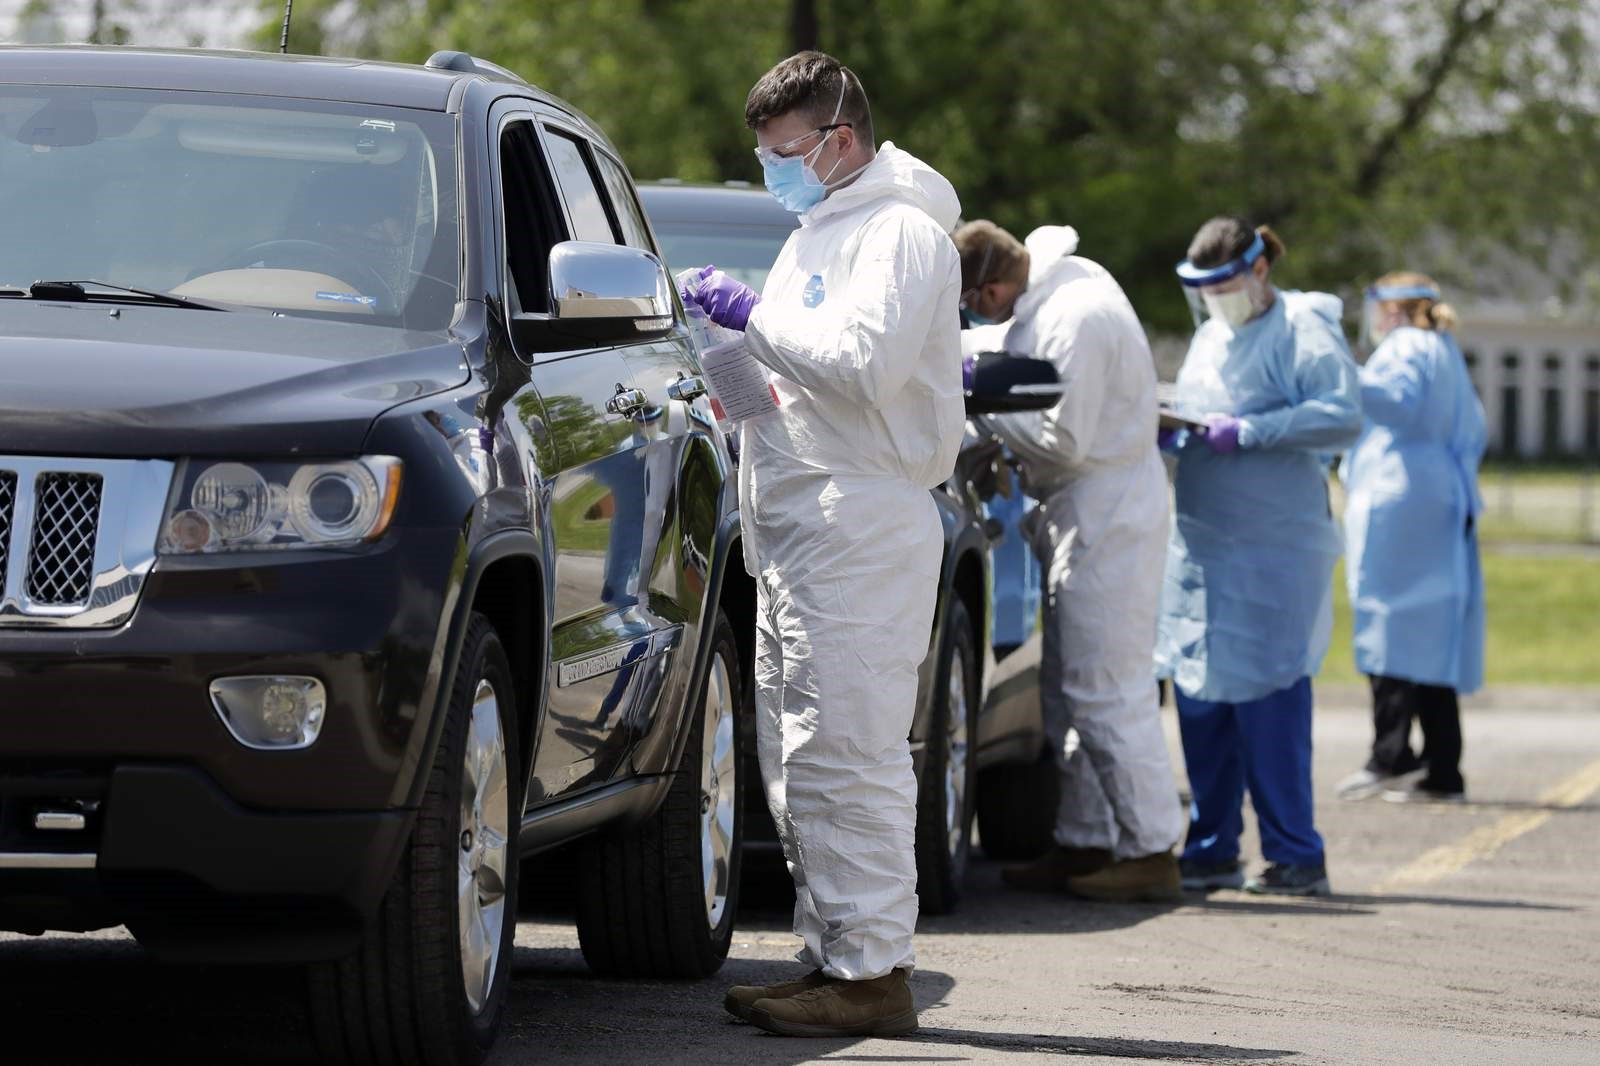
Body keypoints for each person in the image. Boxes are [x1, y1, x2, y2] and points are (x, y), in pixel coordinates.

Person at [680, 51, 964, 1038]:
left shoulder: (896, 233)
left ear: (839, 139)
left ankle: (872, 971)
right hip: (804, 527)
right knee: (802, 755)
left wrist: (749, 314)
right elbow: (801, 385)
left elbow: (861, 368)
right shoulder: (820, 228)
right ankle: (834, 952)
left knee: (849, 752)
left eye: (784, 152)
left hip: (860, 521)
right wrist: (730, 361)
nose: (773, 169)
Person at [952, 220, 1186, 902]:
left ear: (990, 286)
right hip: (1085, 508)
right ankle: (1084, 839)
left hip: (1104, 509)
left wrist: (978, 408)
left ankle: (1151, 849)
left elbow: (1065, 441)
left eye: (971, 302)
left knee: (1107, 687)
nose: (973, 315)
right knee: (1067, 687)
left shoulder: (1075, 314)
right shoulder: (1051, 294)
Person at [1156, 217, 1363, 897]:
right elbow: (1199, 407)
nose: (1216, 298)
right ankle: (1212, 848)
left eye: (1224, 284)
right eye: (1205, 288)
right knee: (1203, 698)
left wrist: (1252, 431)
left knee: (1269, 702)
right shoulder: (1212, 335)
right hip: (1205, 547)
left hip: (1274, 550)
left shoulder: (1303, 327)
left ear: (1258, 270)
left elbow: (1341, 412)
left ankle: (1296, 853)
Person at [1336, 274, 1485, 803]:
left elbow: (1393, 404)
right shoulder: (1443, 350)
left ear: (1391, 310)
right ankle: (1442, 766)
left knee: (1387, 623)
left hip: (1401, 499)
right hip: (1441, 494)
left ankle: (1391, 754)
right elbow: (1478, 426)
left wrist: (1337, 370)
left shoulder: (1404, 347)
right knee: (1432, 633)